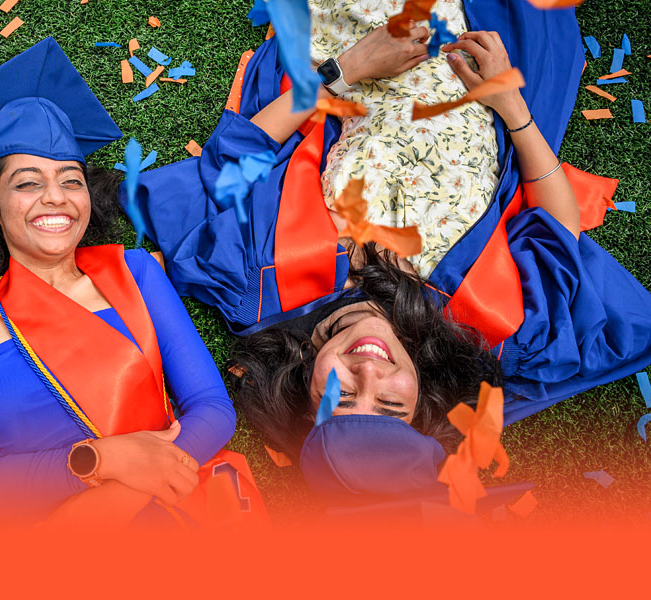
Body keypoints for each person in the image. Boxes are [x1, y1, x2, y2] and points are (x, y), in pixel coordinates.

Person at [124, 0, 651, 465]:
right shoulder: (498, 332)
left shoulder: (251, 286)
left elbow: (237, 160)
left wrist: (347, 68)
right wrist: (512, 108)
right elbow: (558, 229)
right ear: (422, 400)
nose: (368, 374)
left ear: (304, 387)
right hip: (482, 59)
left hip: (362, 41)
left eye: (342, 398)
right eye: (391, 404)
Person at [0, 38, 265, 526]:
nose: (56, 198)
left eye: (71, 179)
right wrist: (101, 461)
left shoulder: (137, 272)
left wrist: (109, 504)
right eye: (27, 183)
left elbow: (212, 409)